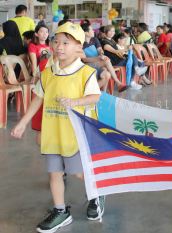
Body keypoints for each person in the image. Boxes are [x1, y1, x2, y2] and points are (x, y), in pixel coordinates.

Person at [11, 22, 106, 233]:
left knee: (78, 173)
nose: (59, 46)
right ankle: (61, 210)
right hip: (53, 132)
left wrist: (76, 102)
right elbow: (38, 98)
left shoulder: (85, 72)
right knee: (54, 172)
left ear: (78, 47)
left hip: (75, 135)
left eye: (66, 43)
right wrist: (23, 123)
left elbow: (96, 96)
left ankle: (97, 191)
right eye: (56, 42)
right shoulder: (48, 73)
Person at [81, 23, 127, 92]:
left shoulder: (94, 39)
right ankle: (118, 82)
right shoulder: (80, 43)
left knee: (107, 74)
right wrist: (99, 58)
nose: (93, 31)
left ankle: (103, 93)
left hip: (98, 62)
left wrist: (101, 54)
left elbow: (99, 49)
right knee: (106, 61)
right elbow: (84, 59)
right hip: (88, 64)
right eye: (91, 30)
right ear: (85, 32)